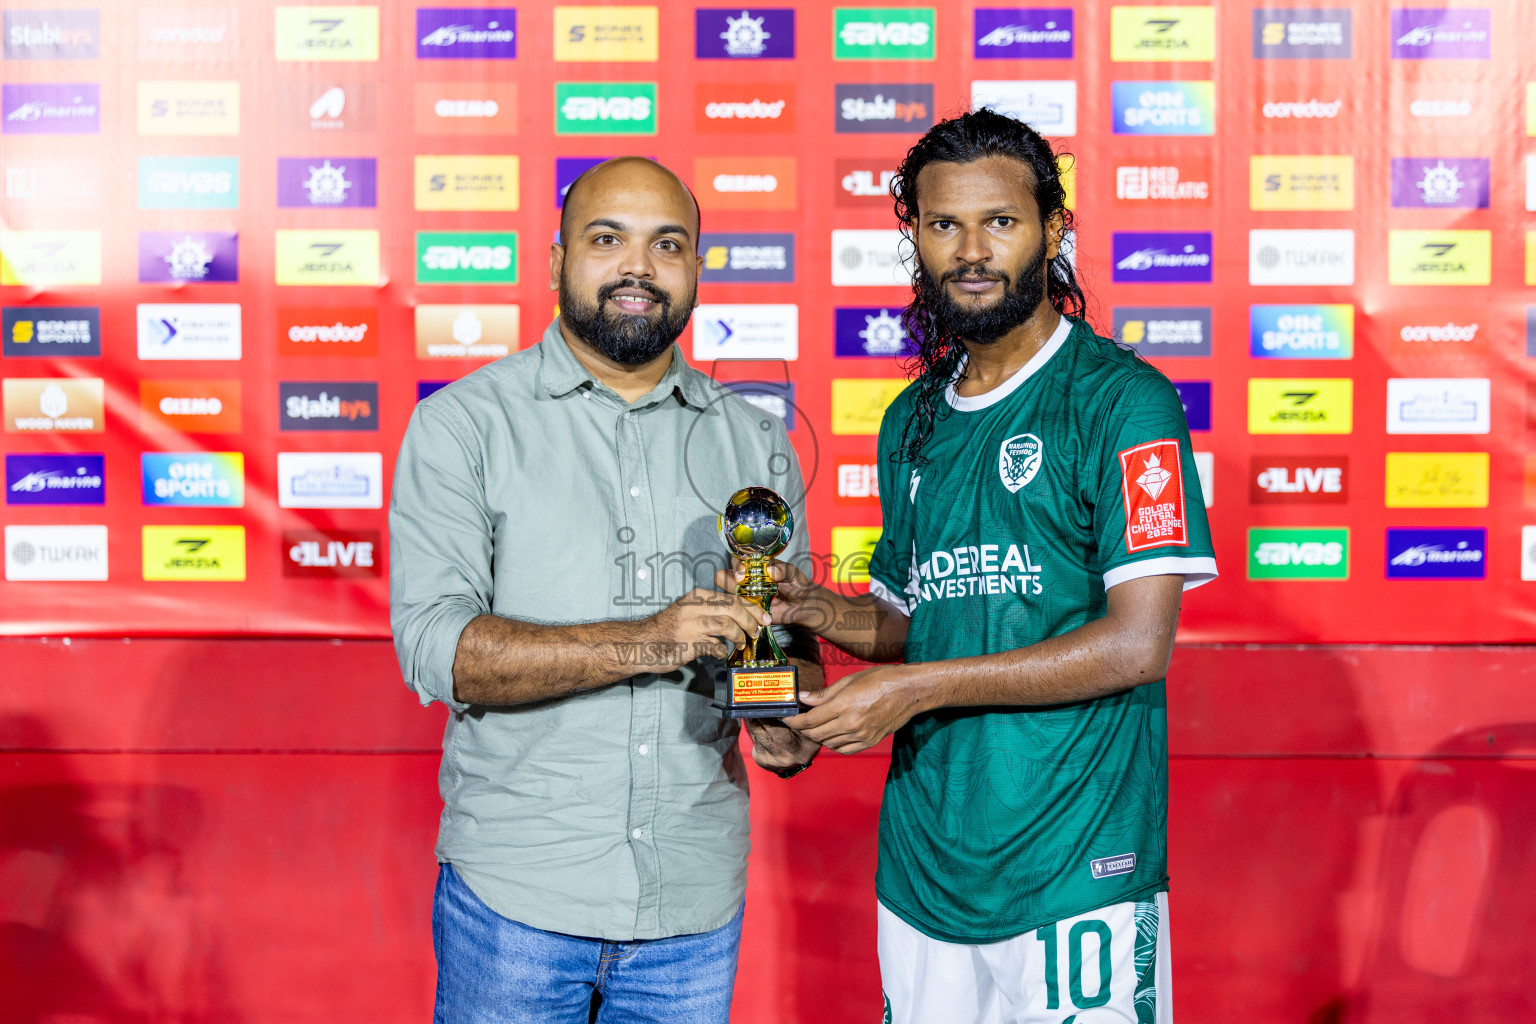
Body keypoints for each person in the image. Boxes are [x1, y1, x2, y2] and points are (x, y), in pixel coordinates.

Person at [749, 109, 1217, 1022]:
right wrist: (811, 609)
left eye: (999, 221)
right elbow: (912, 622)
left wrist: (914, 691)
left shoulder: (1123, 401)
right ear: (915, 238)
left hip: (1075, 866)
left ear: (1053, 229)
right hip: (924, 868)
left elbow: (1136, 646)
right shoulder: (912, 419)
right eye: (943, 225)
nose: (970, 252)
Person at [389, 156, 822, 1024]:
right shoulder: (463, 425)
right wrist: (650, 640)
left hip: (692, 901)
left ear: (696, 267)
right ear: (557, 261)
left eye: (667, 244)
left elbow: (787, 639)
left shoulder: (756, 443)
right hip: (518, 899)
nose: (638, 267)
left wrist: (787, 721)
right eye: (606, 239)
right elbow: (440, 651)